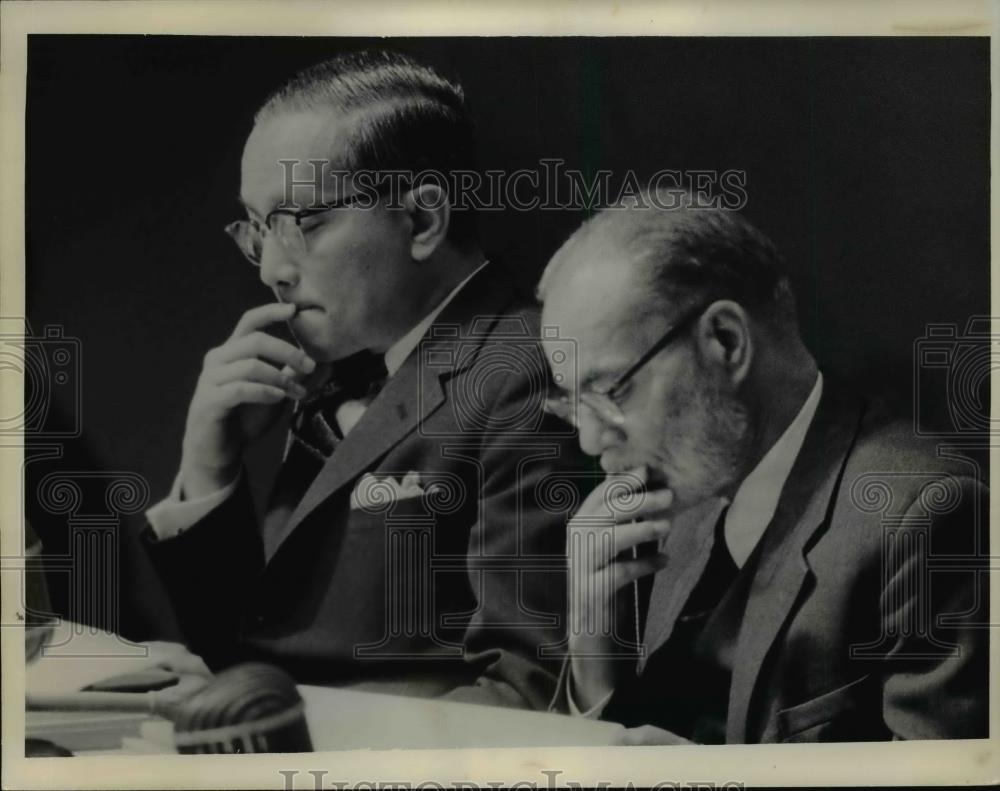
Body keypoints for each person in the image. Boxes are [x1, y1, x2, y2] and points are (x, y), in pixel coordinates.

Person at [141, 50, 588, 710]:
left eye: (304, 222)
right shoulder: (339, 373)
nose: (272, 271)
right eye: (259, 229)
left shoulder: (528, 369)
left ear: (423, 219)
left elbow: (524, 692)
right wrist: (209, 467)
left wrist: (284, 716)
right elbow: (246, 655)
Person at [538, 192, 987, 742]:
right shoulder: (686, 492)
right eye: (572, 404)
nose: (589, 440)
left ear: (725, 340)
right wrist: (592, 645)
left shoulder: (926, 514)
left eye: (610, 392)